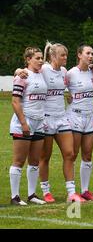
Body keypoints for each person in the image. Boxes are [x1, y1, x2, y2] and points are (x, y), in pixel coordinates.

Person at [14, 42, 86, 203]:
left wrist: (68, 96)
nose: (65, 58)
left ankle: (71, 193)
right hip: (45, 118)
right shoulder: (43, 69)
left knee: (70, 153)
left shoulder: (64, 71)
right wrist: (18, 70)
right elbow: (24, 72)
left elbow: (66, 87)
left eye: (66, 55)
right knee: (44, 157)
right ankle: (46, 191)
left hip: (62, 118)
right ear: (53, 56)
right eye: (62, 55)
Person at [9, 47, 47, 205]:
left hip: (39, 122)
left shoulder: (42, 73)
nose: (40, 60)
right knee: (19, 160)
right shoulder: (22, 76)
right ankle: (15, 196)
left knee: (34, 160)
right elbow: (15, 101)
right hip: (24, 122)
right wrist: (24, 123)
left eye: (41, 58)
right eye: (37, 58)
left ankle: (32, 195)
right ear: (28, 59)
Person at [65, 44, 93, 201]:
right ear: (79, 55)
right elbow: (56, 88)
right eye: (87, 53)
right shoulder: (71, 73)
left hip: (89, 117)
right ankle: (71, 192)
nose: (90, 56)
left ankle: (85, 190)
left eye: (92, 53)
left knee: (87, 154)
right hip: (75, 117)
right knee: (73, 154)